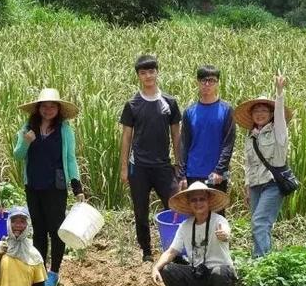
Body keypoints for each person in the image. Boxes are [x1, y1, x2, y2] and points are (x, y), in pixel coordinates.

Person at [14, 88, 84, 286]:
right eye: (44, 106)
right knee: (39, 230)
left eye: (52, 106)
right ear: (38, 108)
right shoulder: (28, 127)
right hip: (33, 186)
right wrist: (26, 142)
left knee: (56, 230)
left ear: (59, 109)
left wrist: (77, 186)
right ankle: (39, 270)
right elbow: (18, 155)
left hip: (55, 187)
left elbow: (70, 159)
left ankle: (54, 272)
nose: (48, 109)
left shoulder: (64, 130)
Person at [119, 55, 181, 264]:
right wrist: (124, 168)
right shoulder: (132, 103)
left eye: (151, 71)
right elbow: (126, 137)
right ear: (138, 76)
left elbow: (176, 135)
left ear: (157, 72)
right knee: (140, 210)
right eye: (143, 73)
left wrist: (179, 163)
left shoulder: (169, 102)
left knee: (175, 206)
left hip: (163, 166)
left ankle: (174, 249)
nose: (148, 76)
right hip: (139, 168)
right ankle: (146, 251)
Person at [151, 182, 236, 286]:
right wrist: (156, 267)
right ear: (189, 204)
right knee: (168, 269)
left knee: (220, 272)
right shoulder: (185, 226)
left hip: (219, 276)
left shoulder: (219, 220)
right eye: (194, 200)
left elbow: (226, 232)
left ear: (208, 201)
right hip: (198, 274)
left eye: (202, 199)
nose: (198, 203)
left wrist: (224, 235)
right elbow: (171, 251)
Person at [234, 74, 292, 257]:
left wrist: (279, 92)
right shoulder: (250, 137)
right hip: (256, 186)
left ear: (271, 114)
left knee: (259, 222)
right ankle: (265, 262)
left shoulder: (278, 133)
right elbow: (249, 164)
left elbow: (281, 116)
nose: (260, 113)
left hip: (273, 184)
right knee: (259, 224)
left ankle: (260, 264)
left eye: (264, 110)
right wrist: (247, 186)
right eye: (256, 110)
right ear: (251, 115)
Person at [178, 65, 236, 201]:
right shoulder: (189, 112)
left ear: (217, 83)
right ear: (197, 82)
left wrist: (220, 170)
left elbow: (228, 143)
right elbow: (184, 144)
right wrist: (182, 174)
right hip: (193, 172)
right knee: (194, 215)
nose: (207, 84)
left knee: (217, 216)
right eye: (203, 80)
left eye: (212, 80)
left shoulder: (226, 110)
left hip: (216, 175)